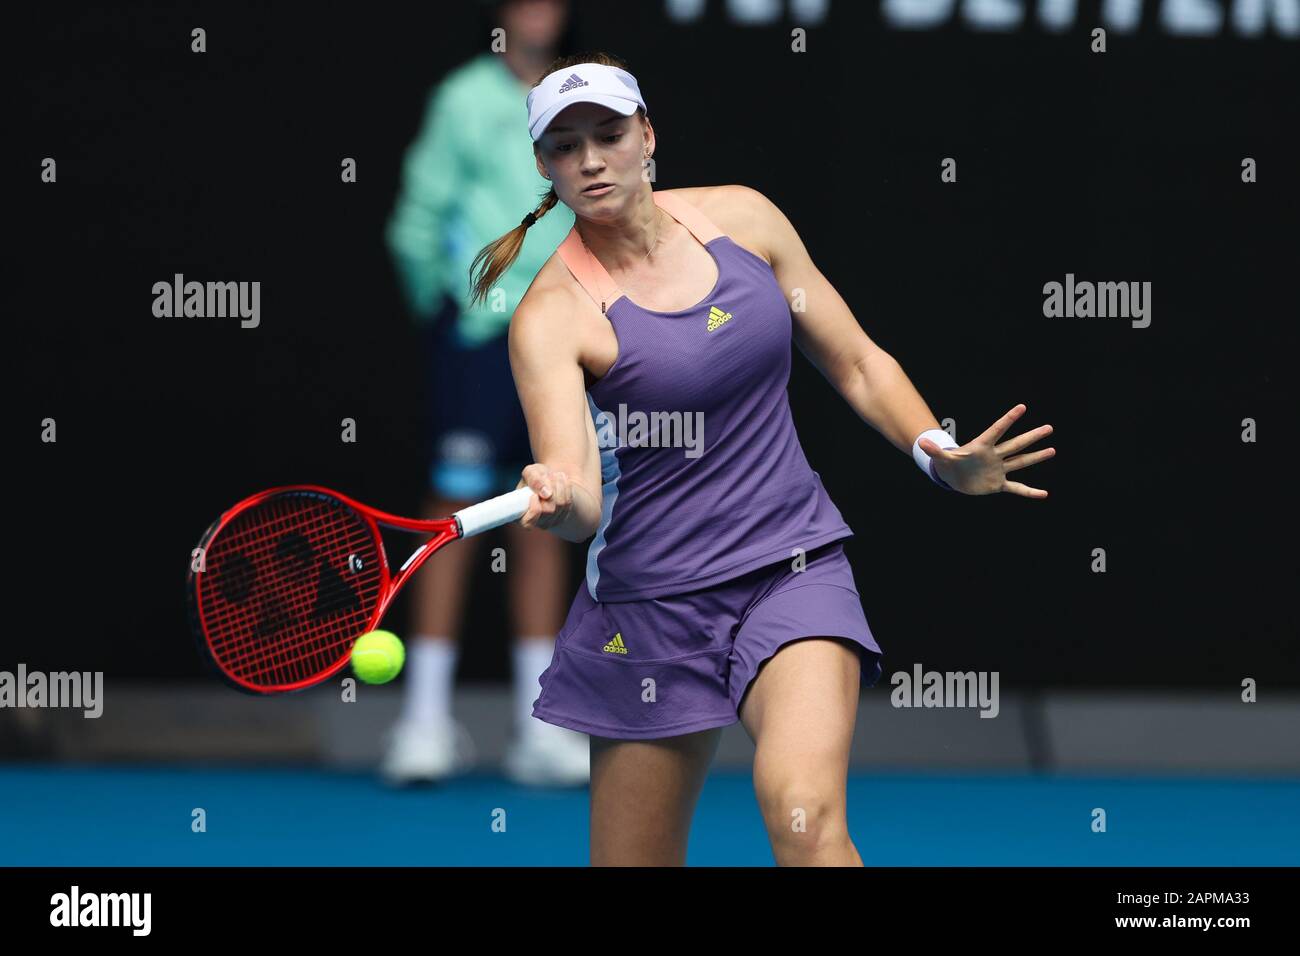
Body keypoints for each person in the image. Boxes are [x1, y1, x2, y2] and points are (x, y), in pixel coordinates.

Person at [470, 53, 1056, 865]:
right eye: (566, 147)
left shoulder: (744, 219)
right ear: (543, 164)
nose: (591, 160)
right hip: (650, 607)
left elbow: (855, 359)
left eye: (608, 134)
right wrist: (556, 491)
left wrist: (936, 451)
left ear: (647, 135)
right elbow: (582, 508)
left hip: (792, 567)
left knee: (804, 817)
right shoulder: (550, 317)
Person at [381, 0, 590, 787]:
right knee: (450, 515)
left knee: (548, 506)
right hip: (479, 340)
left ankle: (541, 728)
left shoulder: (581, 93)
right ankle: (424, 723)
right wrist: (456, 308)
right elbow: (415, 223)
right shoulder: (464, 97)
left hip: (567, 334)